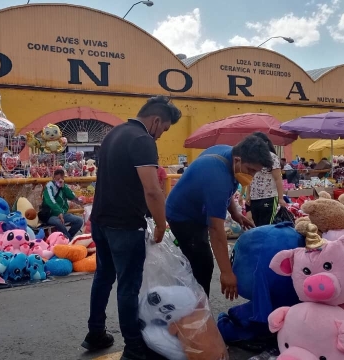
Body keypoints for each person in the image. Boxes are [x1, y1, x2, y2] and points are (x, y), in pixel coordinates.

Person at [83, 96, 181, 360]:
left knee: (103, 277)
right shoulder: (142, 141)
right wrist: (161, 224)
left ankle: (95, 333)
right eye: (164, 129)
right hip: (125, 225)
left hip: (101, 221)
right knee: (128, 286)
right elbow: (152, 190)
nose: (161, 135)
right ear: (156, 120)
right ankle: (134, 347)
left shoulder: (114, 134)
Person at [165, 135, 273, 301]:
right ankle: (194, 313)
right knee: (202, 264)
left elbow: (227, 191)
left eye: (256, 172)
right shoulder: (217, 177)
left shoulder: (226, 154)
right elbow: (216, 230)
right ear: (237, 160)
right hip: (183, 217)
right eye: (250, 170)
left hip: (194, 208)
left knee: (195, 259)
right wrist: (227, 272)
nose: (252, 176)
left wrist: (236, 214)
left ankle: (193, 305)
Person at [247, 132, 286, 226]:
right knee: (256, 225)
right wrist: (247, 195)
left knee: (267, 225)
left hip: (269, 197)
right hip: (254, 197)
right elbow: (249, 178)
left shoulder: (272, 157)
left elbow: (278, 179)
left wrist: (281, 198)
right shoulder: (251, 158)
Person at [42, 169, 84, 241]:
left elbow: (72, 196)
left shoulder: (64, 186)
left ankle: (66, 239)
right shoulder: (49, 186)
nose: (59, 181)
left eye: (61, 179)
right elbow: (50, 201)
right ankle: (69, 240)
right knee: (59, 222)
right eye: (57, 179)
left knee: (79, 221)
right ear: (54, 178)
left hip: (63, 214)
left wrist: (63, 187)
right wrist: (59, 212)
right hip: (50, 214)